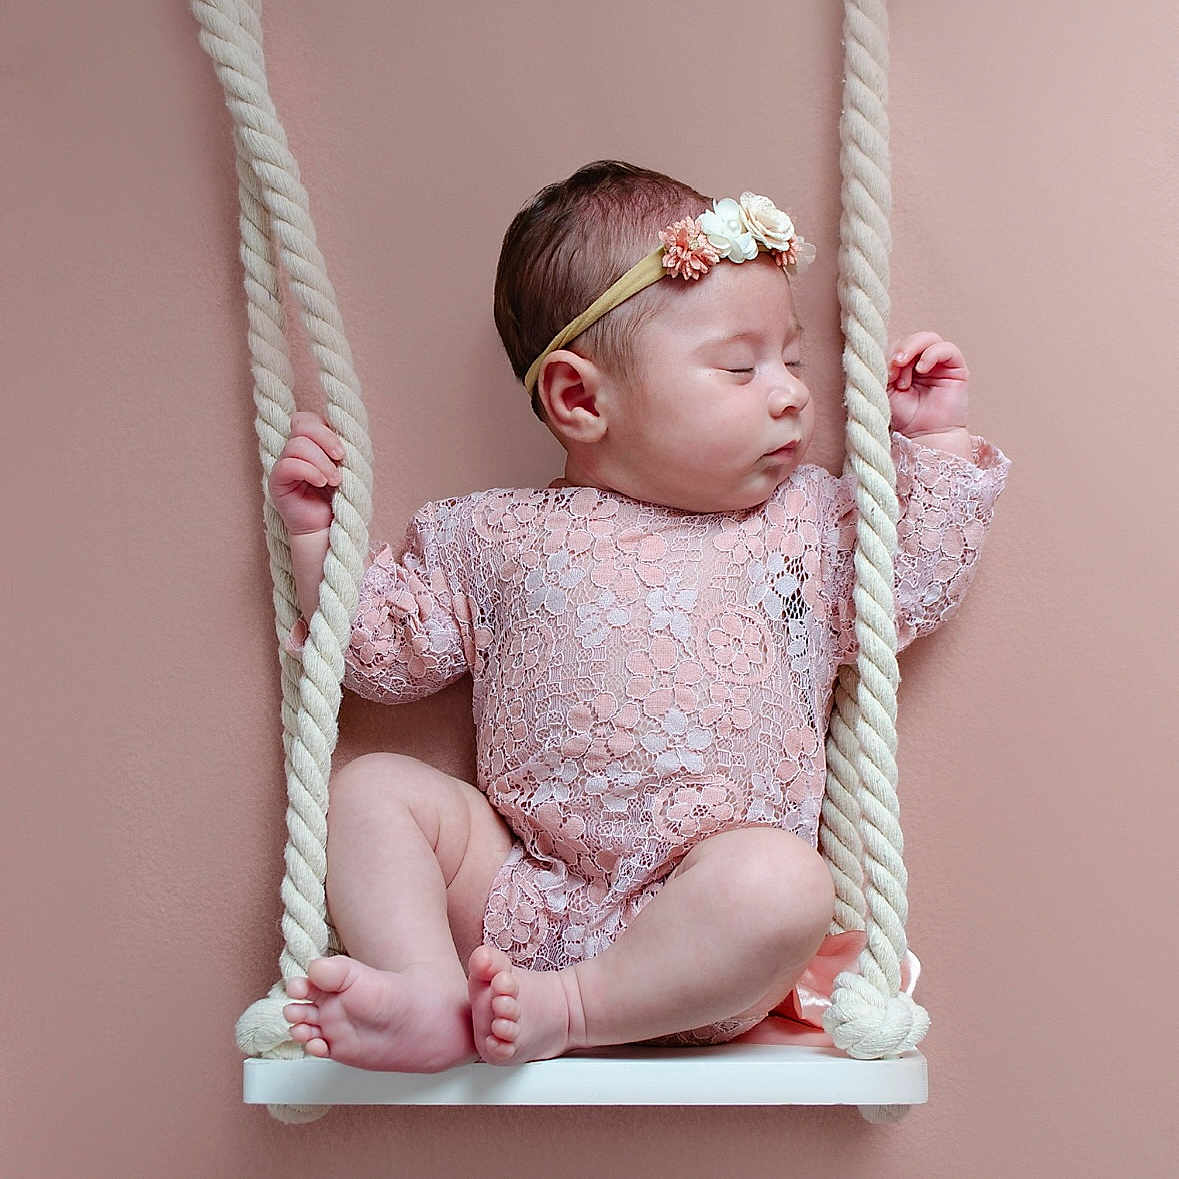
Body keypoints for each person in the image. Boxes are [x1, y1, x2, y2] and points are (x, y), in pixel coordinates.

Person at [272, 160, 1012, 1073]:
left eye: (790, 357)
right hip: (518, 903)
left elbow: (907, 581)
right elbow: (376, 655)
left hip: (700, 937)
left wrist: (931, 441)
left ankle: (575, 1007)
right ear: (581, 399)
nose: (789, 392)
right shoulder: (489, 537)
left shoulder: (804, 528)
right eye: (740, 367)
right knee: (371, 789)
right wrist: (319, 536)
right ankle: (427, 989)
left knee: (787, 882)